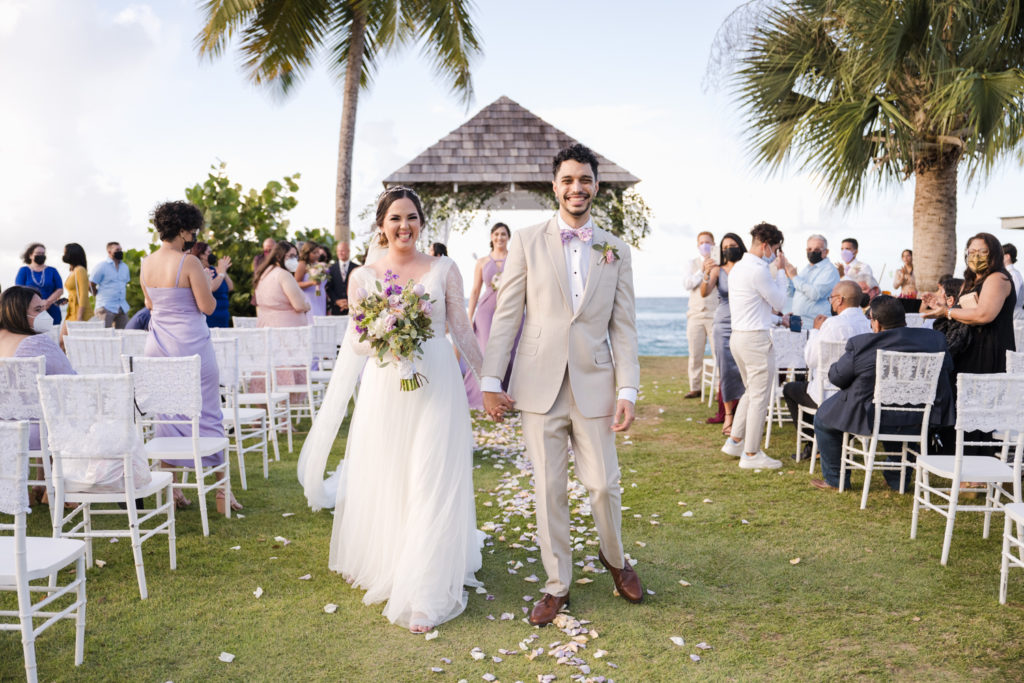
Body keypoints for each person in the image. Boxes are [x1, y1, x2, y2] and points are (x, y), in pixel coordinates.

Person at [297, 186, 483, 633]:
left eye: (412, 217)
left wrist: (491, 380)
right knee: (394, 475)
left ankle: (426, 591)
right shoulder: (363, 277)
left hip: (437, 383)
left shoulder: (444, 269)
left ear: (422, 223)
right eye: (396, 218)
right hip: (387, 385)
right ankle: (391, 559)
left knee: (430, 476)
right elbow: (357, 341)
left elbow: (461, 328)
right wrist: (387, 328)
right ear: (381, 226)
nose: (405, 226)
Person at [481, 144, 644, 626]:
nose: (577, 188)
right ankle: (557, 585)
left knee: (602, 485)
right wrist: (492, 379)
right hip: (537, 386)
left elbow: (625, 327)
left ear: (596, 186)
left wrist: (628, 389)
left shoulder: (616, 248)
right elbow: (508, 314)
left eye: (586, 180)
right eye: (568, 180)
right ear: (555, 186)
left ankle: (615, 560)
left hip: (595, 382)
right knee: (549, 488)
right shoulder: (527, 242)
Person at [140, 201, 240, 512]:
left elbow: (151, 305)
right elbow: (208, 307)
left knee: (168, 415)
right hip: (192, 344)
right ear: (183, 229)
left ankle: (173, 490)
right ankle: (223, 493)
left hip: (158, 346)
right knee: (208, 412)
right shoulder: (190, 263)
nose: (194, 236)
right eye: (193, 230)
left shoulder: (145, 263)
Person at [810, 295, 954, 491]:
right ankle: (897, 480)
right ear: (904, 319)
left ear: (876, 323)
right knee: (903, 422)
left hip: (874, 416)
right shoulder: (934, 340)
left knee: (824, 420)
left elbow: (837, 378)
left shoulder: (863, 344)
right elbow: (948, 368)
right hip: (921, 416)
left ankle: (836, 480)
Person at [720, 222, 789, 470]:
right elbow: (780, 300)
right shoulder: (760, 270)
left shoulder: (738, 268)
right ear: (766, 246)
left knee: (751, 391)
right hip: (755, 340)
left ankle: (735, 440)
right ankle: (751, 453)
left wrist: (776, 319)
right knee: (760, 396)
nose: (776, 254)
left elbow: (754, 309)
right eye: (776, 249)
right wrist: (781, 272)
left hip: (739, 337)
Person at [781, 280, 869, 443]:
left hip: (828, 394)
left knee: (790, 389)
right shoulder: (868, 324)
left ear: (839, 300)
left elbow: (811, 360)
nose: (831, 302)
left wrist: (815, 330)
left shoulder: (832, 324)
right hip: (858, 395)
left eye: (831, 298)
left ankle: (814, 441)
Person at [920, 232, 1016, 373]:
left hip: (988, 350)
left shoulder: (998, 279)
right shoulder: (970, 281)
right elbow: (962, 311)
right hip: (966, 348)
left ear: (994, 254)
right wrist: (943, 307)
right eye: (971, 251)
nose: (976, 256)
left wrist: (947, 312)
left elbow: (983, 315)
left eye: (982, 252)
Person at [0, 286, 75, 453]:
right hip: (33, 433)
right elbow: (70, 380)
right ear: (18, 313)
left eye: (43, 308)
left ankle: (44, 475)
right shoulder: (37, 343)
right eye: (38, 309)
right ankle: (55, 475)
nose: (44, 314)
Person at [700, 232, 746, 434]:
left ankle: (744, 416)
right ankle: (728, 416)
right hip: (723, 324)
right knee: (726, 371)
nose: (729, 249)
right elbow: (704, 292)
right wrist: (705, 274)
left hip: (745, 322)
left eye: (733, 245)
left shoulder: (747, 269)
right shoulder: (719, 270)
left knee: (744, 371)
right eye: (725, 246)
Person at [468, 222, 521, 390]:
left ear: (508, 237)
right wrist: (469, 317)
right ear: (492, 237)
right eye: (496, 234)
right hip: (486, 311)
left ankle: (508, 392)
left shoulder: (516, 258)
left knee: (512, 351)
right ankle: (484, 392)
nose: (500, 237)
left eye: (503, 234)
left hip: (512, 309)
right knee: (486, 350)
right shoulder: (482, 262)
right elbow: (475, 291)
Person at [683, 231, 719, 398]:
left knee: (717, 353)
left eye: (708, 242)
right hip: (695, 314)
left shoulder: (719, 263)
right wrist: (702, 271)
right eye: (701, 242)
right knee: (695, 353)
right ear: (698, 246)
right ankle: (695, 387)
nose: (705, 245)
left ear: (713, 244)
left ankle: (720, 388)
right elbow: (687, 284)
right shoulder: (692, 263)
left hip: (714, 314)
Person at [782, 234, 839, 330]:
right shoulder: (806, 269)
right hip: (798, 322)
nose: (812, 252)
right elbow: (791, 293)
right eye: (809, 249)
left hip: (815, 324)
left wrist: (794, 277)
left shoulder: (829, 270)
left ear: (826, 252)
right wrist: (788, 277)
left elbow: (815, 294)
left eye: (816, 250)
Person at [254, 241, 310, 327]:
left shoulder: (264, 272)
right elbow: (299, 306)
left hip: (268, 326)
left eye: (296, 256)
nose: (294, 259)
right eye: (291, 256)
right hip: (285, 330)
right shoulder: (284, 274)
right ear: (278, 256)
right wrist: (307, 306)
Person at [15, 243, 63, 326]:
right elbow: (19, 290)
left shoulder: (52, 270)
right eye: (38, 253)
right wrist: (37, 304)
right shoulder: (24, 270)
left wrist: (47, 302)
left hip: (51, 308)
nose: (41, 255)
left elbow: (60, 289)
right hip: (30, 310)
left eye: (43, 254)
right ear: (30, 255)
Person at [190, 242, 233, 328]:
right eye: (209, 252)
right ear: (201, 255)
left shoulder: (215, 270)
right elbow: (211, 287)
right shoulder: (199, 271)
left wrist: (223, 271)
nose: (212, 255)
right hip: (211, 316)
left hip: (223, 315)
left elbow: (230, 287)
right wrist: (221, 274)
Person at [89, 241, 131, 328]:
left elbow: (124, 283)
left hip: (122, 307)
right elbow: (90, 284)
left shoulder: (125, 267)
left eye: (121, 249)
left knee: (124, 335)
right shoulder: (101, 266)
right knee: (104, 336)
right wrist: (96, 294)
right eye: (117, 249)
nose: (120, 251)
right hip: (105, 307)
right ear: (109, 251)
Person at [61, 243, 93, 334]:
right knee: (62, 342)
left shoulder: (80, 270)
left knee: (65, 342)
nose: (64, 255)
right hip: (71, 312)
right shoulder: (73, 270)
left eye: (65, 253)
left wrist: (79, 317)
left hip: (80, 313)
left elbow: (83, 294)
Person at [293, 241, 327, 320]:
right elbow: (296, 284)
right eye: (314, 253)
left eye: (318, 252)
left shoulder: (318, 265)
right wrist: (311, 283)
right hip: (309, 298)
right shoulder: (302, 264)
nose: (317, 255)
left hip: (319, 297)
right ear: (307, 252)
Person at [326, 241, 359, 316]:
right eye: (338, 251)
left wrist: (350, 302)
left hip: (353, 308)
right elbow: (329, 288)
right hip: (336, 308)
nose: (340, 253)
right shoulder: (331, 269)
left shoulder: (357, 268)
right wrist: (337, 301)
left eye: (342, 251)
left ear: (348, 251)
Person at [1003, 243, 1024, 321]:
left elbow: (1013, 298)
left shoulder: (1013, 274)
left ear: (1007, 256)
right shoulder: (1009, 273)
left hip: (1015, 319)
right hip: (1011, 317)